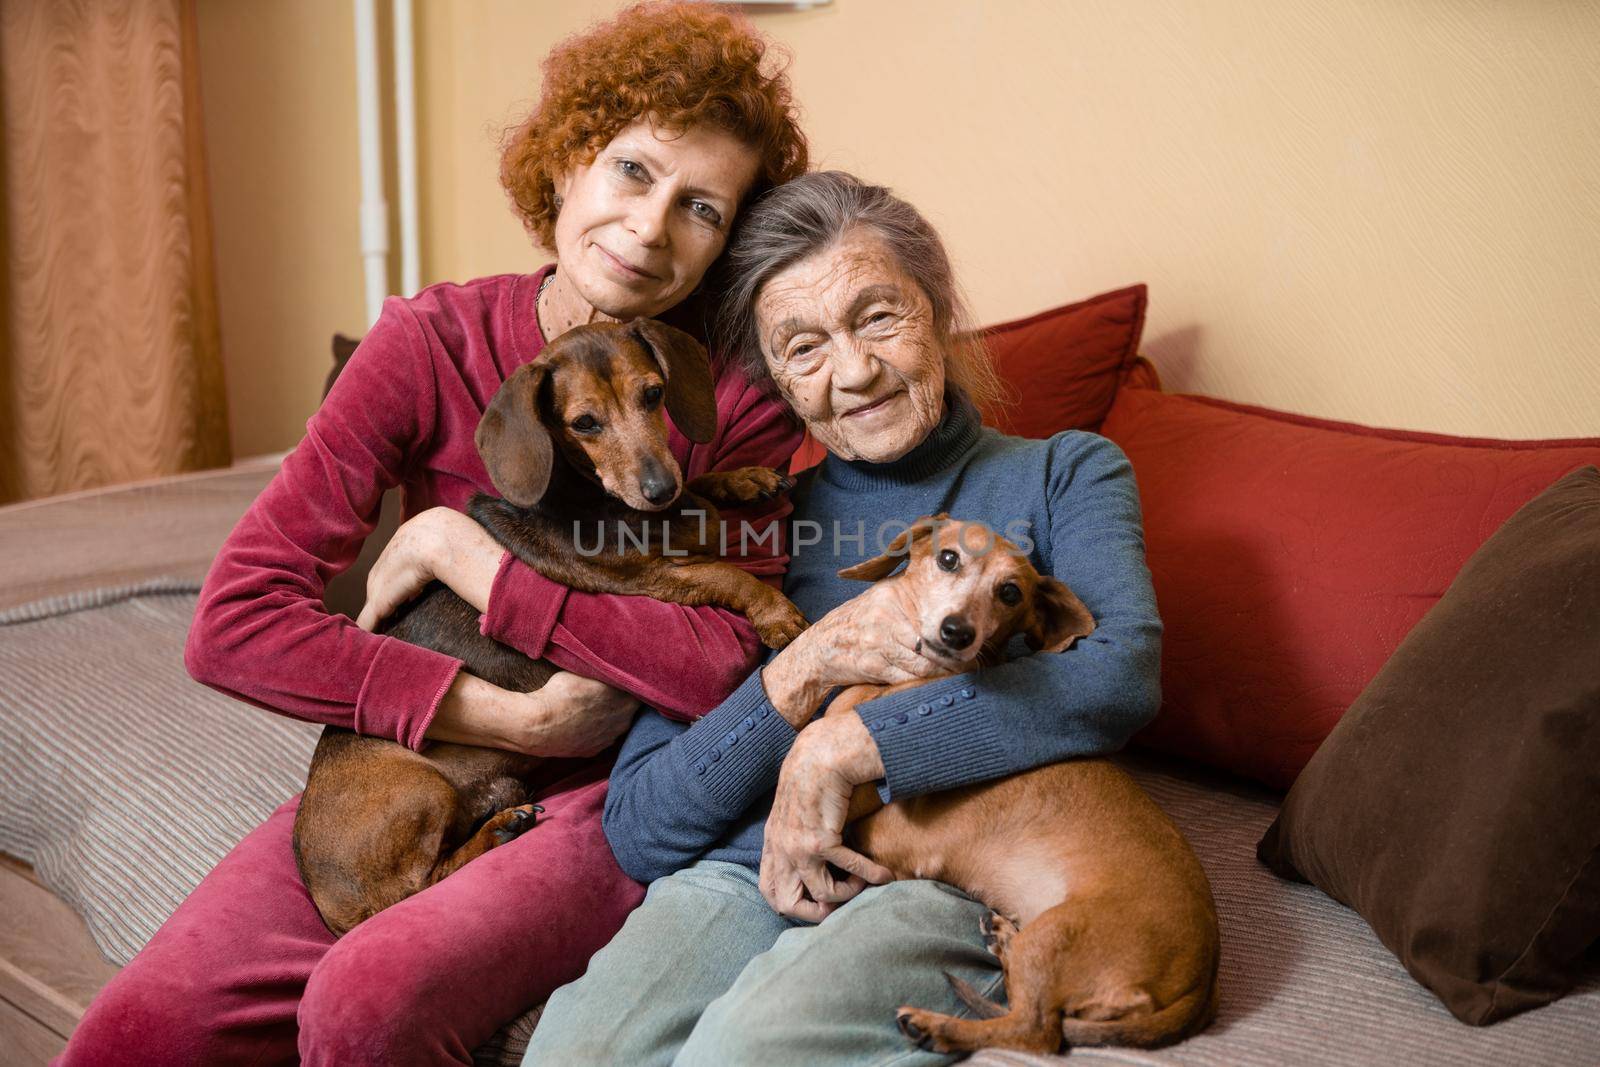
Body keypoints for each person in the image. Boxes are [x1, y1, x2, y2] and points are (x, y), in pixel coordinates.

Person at [57, 5, 807, 1065]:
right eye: (631, 172)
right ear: (564, 167)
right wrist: (502, 712)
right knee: (131, 1040)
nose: (649, 228)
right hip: (423, 756)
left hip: (615, 796)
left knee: (368, 1005)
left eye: (700, 207)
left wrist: (469, 558)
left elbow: (732, 662)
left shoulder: (735, 392)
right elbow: (231, 622)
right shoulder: (427, 343)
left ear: (728, 239)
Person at [522, 171, 1164, 1066]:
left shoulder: (1064, 472)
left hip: (946, 868)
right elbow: (640, 821)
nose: (855, 371)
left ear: (936, 309)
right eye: (804, 345)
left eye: (877, 317)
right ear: (774, 378)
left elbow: (1118, 674)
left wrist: (847, 746)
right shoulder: (744, 523)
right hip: (736, 865)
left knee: (741, 1054)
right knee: (576, 1055)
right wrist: (801, 670)